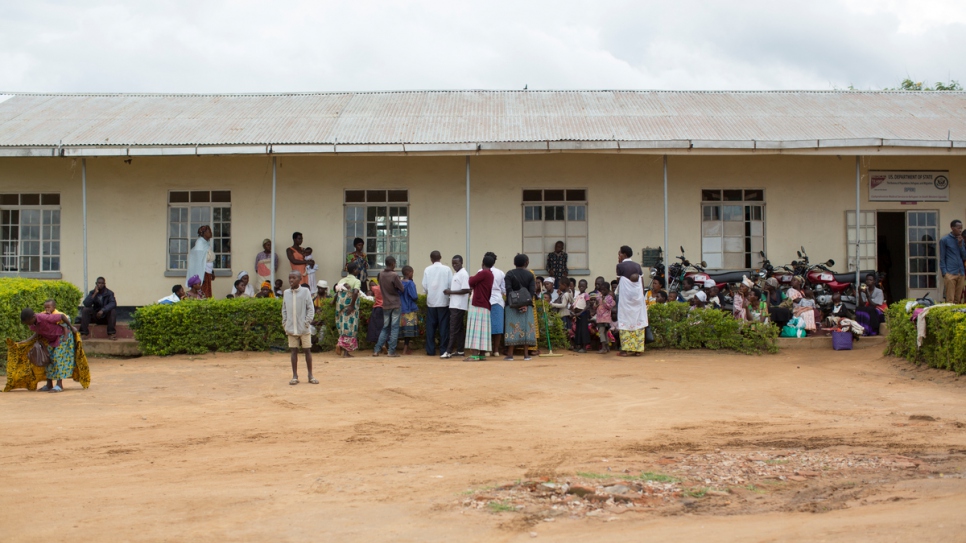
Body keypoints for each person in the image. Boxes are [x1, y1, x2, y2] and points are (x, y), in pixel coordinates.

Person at [19, 307, 84, 392]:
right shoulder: (33, 324)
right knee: (47, 360)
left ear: (32, 317)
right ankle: (49, 384)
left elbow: (61, 317)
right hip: (50, 340)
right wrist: (27, 341)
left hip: (61, 336)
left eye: (28, 322)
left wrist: (71, 327)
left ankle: (59, 385)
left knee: (57, 359)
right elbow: (38, 332)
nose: (28, 324)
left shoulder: (44, 317)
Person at [282, 271, 316, 385]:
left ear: (300, 279)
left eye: (294, 278)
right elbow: (284, 309)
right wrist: (285, 323)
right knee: (293, 351)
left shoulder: (305, 291)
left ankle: (310, 375)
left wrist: (307, 322)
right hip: (291, 328)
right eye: (289, 278)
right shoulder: (286, 293)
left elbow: (310, 308)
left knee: (307, 350)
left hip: (304, 328)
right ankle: (295, 376)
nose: (291, 280)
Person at [616, 246, 648, 357]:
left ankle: (625, 349)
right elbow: (641, 283)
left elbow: (619, 282)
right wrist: (641, 296)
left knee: (625, 320)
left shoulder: (620, 266)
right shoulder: (637, 266)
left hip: (626, 300)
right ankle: (637, 349)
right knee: (637, 321)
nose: (618, 256)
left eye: (619, 254)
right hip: (637, 299)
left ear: (624, 254)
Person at [504, 253, 536, 361]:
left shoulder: (509, 274)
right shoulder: (530, 275)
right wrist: (525, 304)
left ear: (514, 263)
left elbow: (508, 290)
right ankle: (526, 355)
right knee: (526, 328)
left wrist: (515, 303)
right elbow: (531, 292)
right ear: (526, 263)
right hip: (527, 306)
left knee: (511, 328)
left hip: (511, 305)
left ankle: (510, 354)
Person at [464, 255, 495, 361]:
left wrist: (472, 278)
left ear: (482, 263)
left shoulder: (483, 273)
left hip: (478, 304)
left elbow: (471, 281)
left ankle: (475, 354)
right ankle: (481, 354)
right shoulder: (490, 274)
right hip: (485, 304)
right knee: (483, 330)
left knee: (476, 329)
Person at [373, 256, 405, 358]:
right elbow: (401, 288)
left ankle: (376, 350)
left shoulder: (381, 274)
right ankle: (391, 351)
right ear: (392, 264)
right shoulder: (394, 275)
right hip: (395, 303)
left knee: (385, 328)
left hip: (385, 304)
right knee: (394, 328)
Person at [422, 250, 452, 356]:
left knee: (431, 327)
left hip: (431, 302)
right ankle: (443, 350)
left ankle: (430, 350)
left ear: (431, 259)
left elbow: (425, 286)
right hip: (443, 301)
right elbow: (450, 285)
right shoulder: (447, 269)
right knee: (444, 327)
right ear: (441, 257)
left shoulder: (427, 269)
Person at [441, 255, 471, 359]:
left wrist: (450, 292)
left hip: (458, 306)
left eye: (456, 263)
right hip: (455, 305)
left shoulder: (463, 274)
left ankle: (448, 352)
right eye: (453, 263)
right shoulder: (457, 274)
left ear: (461, 263)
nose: (454, 265)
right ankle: (460, 350)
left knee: (453, 329)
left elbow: (466, 290)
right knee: (459, 330)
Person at [333, 262, 363, 357]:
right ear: (354, 270)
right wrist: (351, 305)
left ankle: (342, 346)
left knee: (343, 326)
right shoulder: (356, 281)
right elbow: (355, 292)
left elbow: (337, 292)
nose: (358, 271)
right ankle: (345, 351)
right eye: (357, 269)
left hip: (341, 306)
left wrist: (333, 302)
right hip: (350, 307)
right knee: (350, 327)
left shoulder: (342, 280)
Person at [484, 252, 506, 358]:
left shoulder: (480, 271)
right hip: (497, 301)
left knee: (485, 326)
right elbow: (504, 289)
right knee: (497, 326)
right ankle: (496, 350)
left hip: (485, 301)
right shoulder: (500, 273)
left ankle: (487, 349)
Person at [940, 220, 966, 303]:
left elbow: (964, 256)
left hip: (961, 272)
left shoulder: (961, 240)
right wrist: (944, 272)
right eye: (958, 228)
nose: (960, 230)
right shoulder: (945, 240)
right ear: (952, 228)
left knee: (957, 300)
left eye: (961, 228)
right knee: (950, 300)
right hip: (950, 272)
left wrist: (961, 245)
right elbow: (942, 257)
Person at [187, 225, 215, 299]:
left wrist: (212, 271)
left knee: (208, 290)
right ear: (203, 233)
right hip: (203, 272)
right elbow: (199, 260)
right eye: (209, 231)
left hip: (208, 271)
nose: (211, 233)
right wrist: (201, 274)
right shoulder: (200, 242)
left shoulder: (206, 242)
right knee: (204, 292)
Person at [399, 266, 419, 355]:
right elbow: (414, 296)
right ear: (409, 273)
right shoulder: (410, 283)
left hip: (400, 308)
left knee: (402, 330)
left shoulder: (399, 282)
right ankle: (405, 349)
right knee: (408, 331)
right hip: (409, 309)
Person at [595, 282, 615, 354]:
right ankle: (606, 347)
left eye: (604, 290)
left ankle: (604, 347)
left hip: (606, 318)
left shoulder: (609, 297)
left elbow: (609, 306)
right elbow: (595, 306)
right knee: (603, 332)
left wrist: (604, 301)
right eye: (601, 290)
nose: (602, 292)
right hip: (599, 318)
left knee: (603, 332)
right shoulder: (599, 296)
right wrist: (596, 303)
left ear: (607, 290)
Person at [572, 279, 591, 352]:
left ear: (586, 287)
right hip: (578, 315)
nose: (581, 287)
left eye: (583, 286)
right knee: (578, 330)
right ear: (578, 286)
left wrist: (580, 313)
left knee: (583, 330)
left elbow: (588, 305)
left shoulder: (586, 295)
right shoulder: (578, 295)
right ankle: (578, 346)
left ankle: (584, 347)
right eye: (580, 285)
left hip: (583, 314)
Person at [366, 279, 384, 346]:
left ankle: (378, 345)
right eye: (370, 285)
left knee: (376, 327)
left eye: (372, 285)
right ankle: (383, 344)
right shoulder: (386, 288)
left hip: (377, 308)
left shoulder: (375, 289)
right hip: (384, 308)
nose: (371, 286)